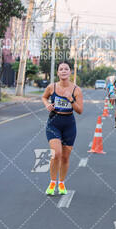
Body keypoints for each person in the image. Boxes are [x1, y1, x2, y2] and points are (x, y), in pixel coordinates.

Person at [41, 61, 83, 195]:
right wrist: (47, 104)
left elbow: (80, 110)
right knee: (57, 153)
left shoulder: (76, 90)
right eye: (61, 69)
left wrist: (71, 99)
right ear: (58, 72)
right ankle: (52, 183)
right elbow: (43, 97)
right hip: (54, 123)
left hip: (69, 125)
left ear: (70, 72)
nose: (64, 71)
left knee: (65, 157)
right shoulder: (51, 87)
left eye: (66, 69)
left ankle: (62, 182)